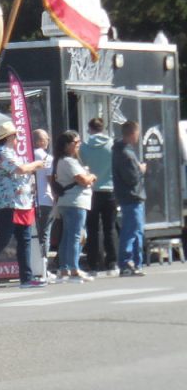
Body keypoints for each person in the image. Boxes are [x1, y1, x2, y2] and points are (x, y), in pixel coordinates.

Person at [0, 122, 47, 288]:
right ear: (10, 137)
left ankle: (26, 277)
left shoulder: (8, 152)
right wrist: (37, 165)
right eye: (16, 135)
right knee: (3, 239)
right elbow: (20, 169)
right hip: (8, 202)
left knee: (23, 239)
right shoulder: (1, 152)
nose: (18, 139)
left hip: (20, 202)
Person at [53, 130, 97, 282]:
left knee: (68, 235)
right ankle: (73, 268)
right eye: (76, 143)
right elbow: (83, 180)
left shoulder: (63, 160)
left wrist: (87, 176)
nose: (78, 145)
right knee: (76, 236)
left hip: (69, 201)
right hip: (75, 202)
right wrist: (91, 176)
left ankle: (65, 268)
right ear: (66, 145)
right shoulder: (68, 161)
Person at [79, 118, 117, 275]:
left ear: (90, 129)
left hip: (91, 190)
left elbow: (81, 166)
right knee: (110, 228)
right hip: (110, 190)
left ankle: (93, 264)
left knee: (92, 229)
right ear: (103, 128)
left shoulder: (84, 147)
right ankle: (112, 262)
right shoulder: (112, 145)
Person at [113, 120, 146, 277]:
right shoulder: (125, 153)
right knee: (131, 230)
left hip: (131, 196)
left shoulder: (122, 150)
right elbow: (131, 178)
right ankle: (126, 262)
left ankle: (136, 263)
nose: (138, 136)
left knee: (136, 230)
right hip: (131, 196)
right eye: (137, 133)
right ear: (133, 133)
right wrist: (140, 169)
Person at [30, 129, 56, 282]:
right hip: (45, 199)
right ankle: (44, 267)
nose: (48, 140)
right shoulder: (46, 157)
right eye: (46, 138)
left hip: (31, 200)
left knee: (35, 234)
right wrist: (57, 195)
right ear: (40, 141)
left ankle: (36, 266)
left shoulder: (27, 155)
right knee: (45, 234)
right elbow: (50, 179)